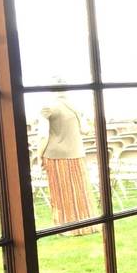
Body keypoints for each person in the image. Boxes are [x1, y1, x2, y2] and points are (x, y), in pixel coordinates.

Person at [37, 90, 97, 234]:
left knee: (61, 191)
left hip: (55, 154)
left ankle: (67, 228)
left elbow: (43, 136)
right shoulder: (75, 106)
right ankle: (87, 225)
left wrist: (39, 155)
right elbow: (86, 130)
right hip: (77, 153)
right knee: (79, 190)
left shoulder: (48, 107)